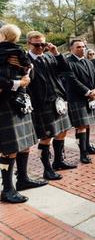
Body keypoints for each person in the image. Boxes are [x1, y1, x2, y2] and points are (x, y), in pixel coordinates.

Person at [0, 24, 49, 203]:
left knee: (26, 143)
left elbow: (30, 77)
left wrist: (26, 69)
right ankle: (7, 189)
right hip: (5, 104)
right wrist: (17, 83)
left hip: (20, 102)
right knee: (9, 149)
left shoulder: (17, 54)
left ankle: (23, 179)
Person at [26, 31, 76, 181]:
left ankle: (58, 161)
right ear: (29, 43)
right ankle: (47, 169)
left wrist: (57, 53)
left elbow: (66, 70)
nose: (40, 47)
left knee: (62, 131)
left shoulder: (49, 56)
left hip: (58, 100)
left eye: (43, 44)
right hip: (42, 104)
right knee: (47, 137)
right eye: (37, 45)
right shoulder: (26, 60)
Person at [66, 39, 95, 164]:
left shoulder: (88, 61)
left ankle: (87, 147)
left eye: (83, 46)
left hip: (91, 97)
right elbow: (72, 80)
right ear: (71, 49)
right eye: (78, 47)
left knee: (88, 124)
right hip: (78, 98)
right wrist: (88, 92)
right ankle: (83, 154)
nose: (82, 49)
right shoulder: (68, 62)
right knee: (81, 126)